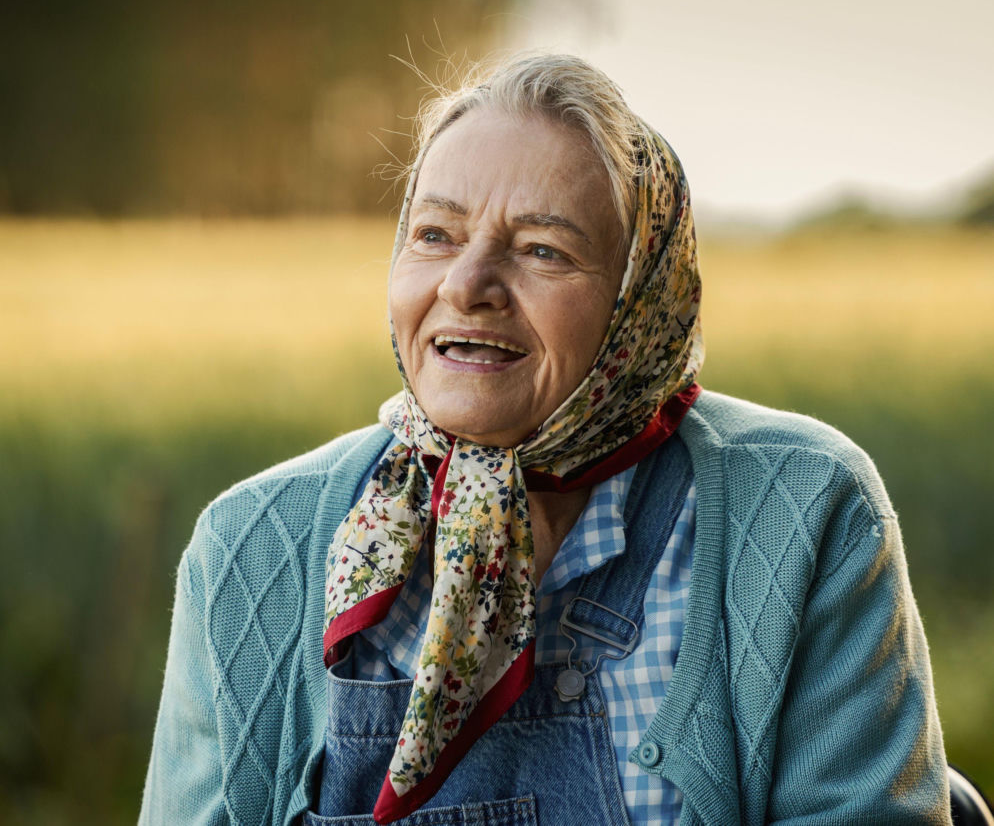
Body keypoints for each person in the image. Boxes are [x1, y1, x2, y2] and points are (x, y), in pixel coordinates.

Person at [139, 53, 952, 825]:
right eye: (436, 234)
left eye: (542, 250)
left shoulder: (802, 508)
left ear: (642, 299)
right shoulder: (252, 542)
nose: (467, 284)